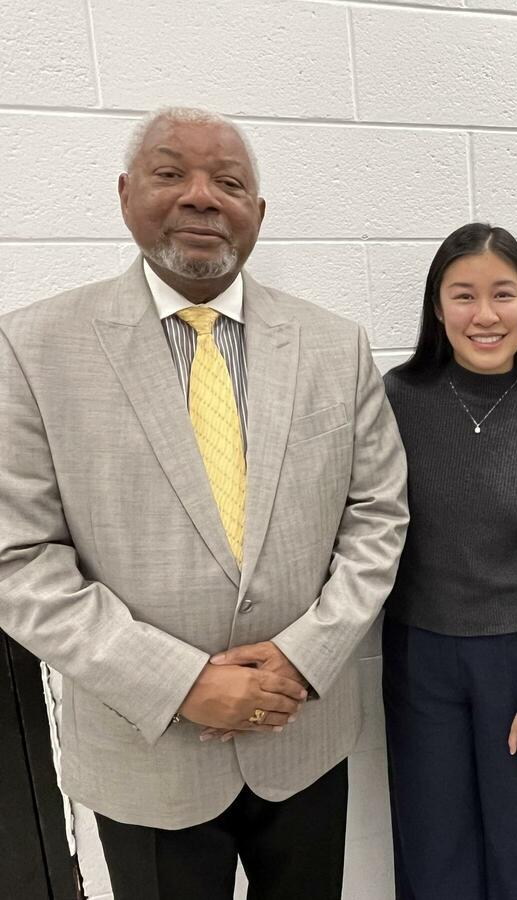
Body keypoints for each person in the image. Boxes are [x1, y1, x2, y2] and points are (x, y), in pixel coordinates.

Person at [0, 107, 408, 900]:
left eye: (228, 182)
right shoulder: (32, 348)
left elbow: (378, 516)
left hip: (304, 735)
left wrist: (302, 657)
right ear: (125, 194)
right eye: (169, 173)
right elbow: (20, 559)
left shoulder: (335, 343)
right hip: (146, 753)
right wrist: (182, 682)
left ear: (258, 211)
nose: (201, 197)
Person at [382, 223, 517, 900]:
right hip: (421, 656)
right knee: (434, 845)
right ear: (436, 307)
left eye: (502, 294)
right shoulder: (395, 400)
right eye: (463, 295)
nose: (484, 314)